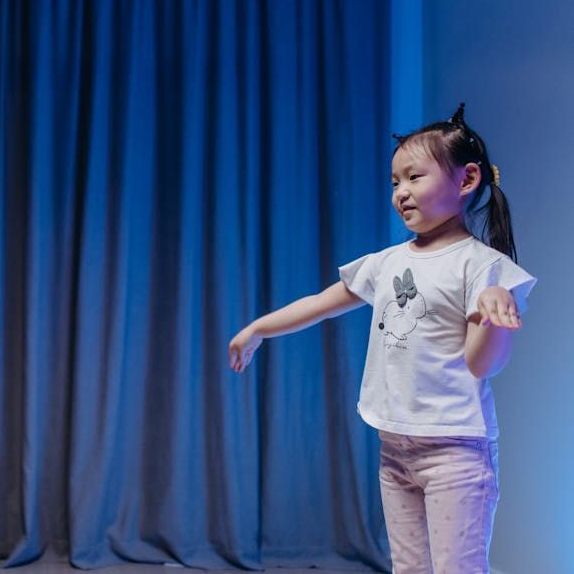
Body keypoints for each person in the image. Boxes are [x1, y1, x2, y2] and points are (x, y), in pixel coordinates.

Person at [227, 103, 536, 573]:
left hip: (454, 452)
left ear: (467, 179)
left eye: (414, 178)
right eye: (395, 182)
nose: (402, 193)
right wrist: (257, 329)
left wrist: (494, 312)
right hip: (395, 449)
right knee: (408, 568)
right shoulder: (386, 263)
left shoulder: (483, 267)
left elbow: (482, 365)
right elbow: (316, 303)